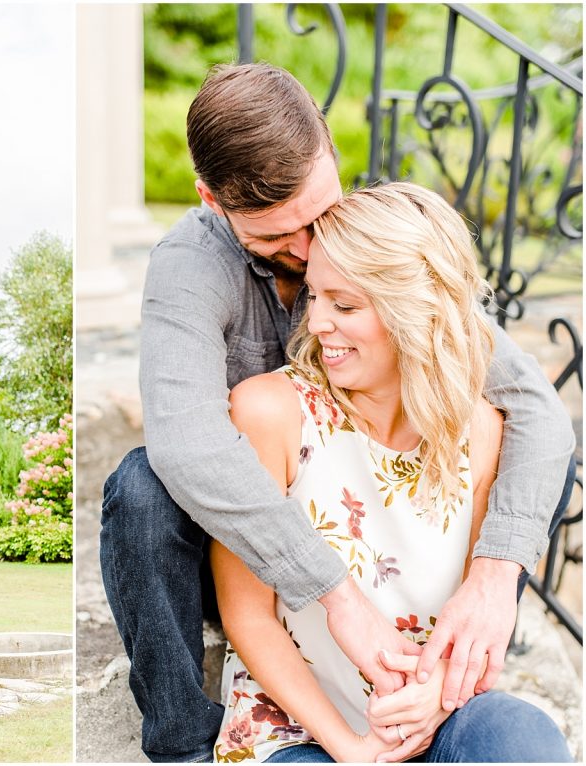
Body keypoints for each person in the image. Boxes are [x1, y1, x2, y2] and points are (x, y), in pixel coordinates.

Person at [99, 63, 576, 762]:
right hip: (255, 545)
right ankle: (182, 745)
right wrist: (336, 595)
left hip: (391, 539)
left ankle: (468, 637)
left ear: (330, 153)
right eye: (278, 237)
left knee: (533, 456)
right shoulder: (190, 268)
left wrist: (495, 574)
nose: (307, 246)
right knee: (140, 489)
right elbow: (190, 449)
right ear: (211, 201)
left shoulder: (372, 245)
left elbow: (533, 402)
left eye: (317, 213)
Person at [210, 182, 571, 763]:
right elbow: (247, 616)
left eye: (345, 304)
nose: (317, 321)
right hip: (301, 733)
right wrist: (351, 748)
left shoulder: (480, 431)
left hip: (432, 723)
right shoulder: (269, 413)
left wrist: (437, 697)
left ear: (414, 312)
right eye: (315, 295)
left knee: (522, 738)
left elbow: (471, 616)